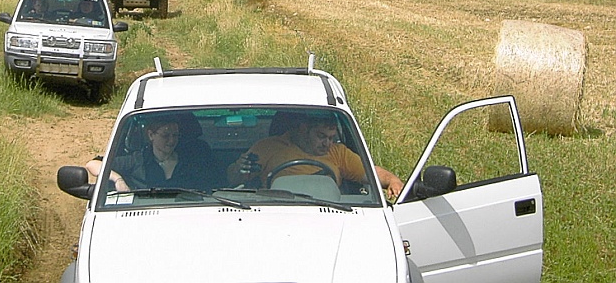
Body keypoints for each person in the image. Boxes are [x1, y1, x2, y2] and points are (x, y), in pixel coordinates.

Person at [227, 112, 404, 200]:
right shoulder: (268, 147)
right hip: (275, 209)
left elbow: (370, 173)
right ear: (304, 130)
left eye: (331, 138)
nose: (327, 143)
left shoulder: (337, 152)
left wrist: (392, 180)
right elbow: (233, 179)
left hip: (330, 211)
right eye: (321, 136)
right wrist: (239, 169)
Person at [86, 116, 222, 192]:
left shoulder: (192, 161)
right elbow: (93, 164)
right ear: (151, 135)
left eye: (175, 135)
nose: (171, 140)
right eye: (165, 135)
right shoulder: (137, 160)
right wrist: (118, 179)